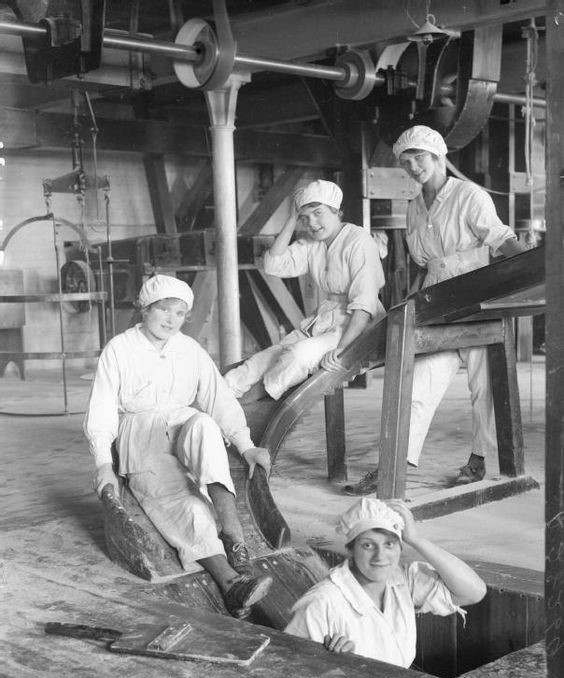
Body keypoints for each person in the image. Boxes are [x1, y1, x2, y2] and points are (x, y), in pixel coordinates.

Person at [345, 125, 528, 495]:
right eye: (405, 162)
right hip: (436, 300)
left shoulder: (469, 195)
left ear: (438, 155)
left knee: (484, 386)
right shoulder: (414, 207)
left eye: (419, 158)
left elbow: (501, 239)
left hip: (478, 296)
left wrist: (537, 268)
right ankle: (393, 466)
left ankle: (479, 458)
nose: (413, 167)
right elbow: (423, 262)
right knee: (418, 381)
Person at [84, 274, 273, 617]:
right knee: (183, 502)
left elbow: (219, 398)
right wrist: (103, 464)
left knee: (204, 424)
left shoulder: (189, 349)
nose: (171, 320)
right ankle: (230, 581)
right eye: (164, 310)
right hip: (138, 432)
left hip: (181, 422)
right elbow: (101, 409)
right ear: (145, 309)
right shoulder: (120, 348)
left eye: (180, 313)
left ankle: (234, 538)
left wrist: (246, 446)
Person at [224, 179, 387, 401]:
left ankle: (250, 401)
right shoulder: (313, 244)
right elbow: (273, 265)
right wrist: (291, 218)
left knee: (297, 356)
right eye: (305, 218)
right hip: (324, 321)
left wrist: (342, 349)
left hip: (357, 328)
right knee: (265, 359)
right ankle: (222, 397)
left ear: (336, 210)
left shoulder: (358, 241)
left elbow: (364, 306)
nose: (312, 223)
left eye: (318, 213)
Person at [284, 497, 486, 667]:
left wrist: (416, 540)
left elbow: (473, 592)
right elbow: (289, 667)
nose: (380, 556)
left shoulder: (402, 580)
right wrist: (334, 663)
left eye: (389, 544)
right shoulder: (322, 602)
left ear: (400, 547)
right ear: (351, 550)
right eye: (368, 545)